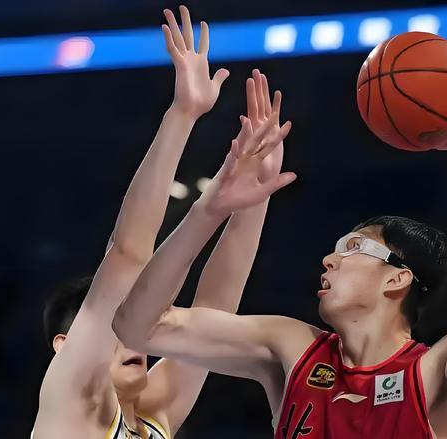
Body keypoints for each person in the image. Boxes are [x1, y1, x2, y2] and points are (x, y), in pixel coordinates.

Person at [113, 47, 447, 439]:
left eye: (352, 248)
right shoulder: (292, 347)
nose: (330, 259)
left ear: (397, 279)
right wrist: (210, 209)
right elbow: (137, 325)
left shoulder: (435, 373)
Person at [32, 6, 293, 438]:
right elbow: (126, 256)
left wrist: (256, 194)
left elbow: (214, 312)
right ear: (65, 346)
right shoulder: (71, 406)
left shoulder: (157, 415)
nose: (130, 331)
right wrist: (182, 114)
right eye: (116, 320)